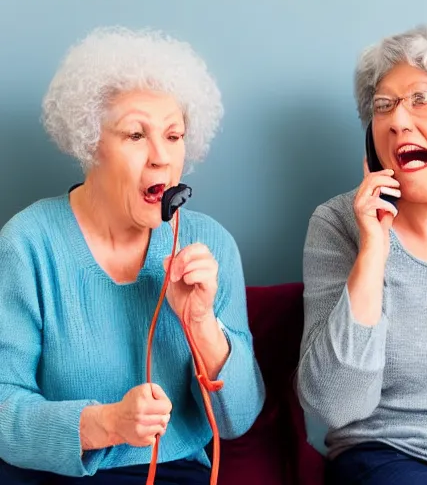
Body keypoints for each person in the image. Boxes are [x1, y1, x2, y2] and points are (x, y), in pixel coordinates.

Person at [0, 28, 262, 480]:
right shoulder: (28, 243)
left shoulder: (210, 243)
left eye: (174, 135)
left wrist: (201, 324)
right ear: (89, 144)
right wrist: (106, 424)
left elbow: (237, 421)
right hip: (58, 474)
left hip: (177, 473)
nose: (161, 157)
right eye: (136, 135)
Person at [298, 26, 427, 482]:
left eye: (421, 98)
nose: (397, 121)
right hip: (388, 454)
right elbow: (336, 404)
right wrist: (372, 248)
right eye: (383, 106)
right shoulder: (337, 225)